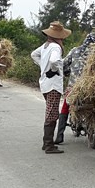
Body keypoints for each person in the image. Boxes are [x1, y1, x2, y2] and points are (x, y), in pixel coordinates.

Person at [31, 21, 71, 154]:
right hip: (53, 84)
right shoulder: (56, 47)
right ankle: (48, 145)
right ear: (59, 36)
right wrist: (53, 69)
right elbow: (54, 61)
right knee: (52, 114)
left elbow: (33, 55)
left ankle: (47, 143)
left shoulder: (45, 46)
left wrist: (43, 66)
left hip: (45, 84)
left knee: (50, 111)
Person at [54, 32, 95, 144]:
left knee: (65, 107)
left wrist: (66, 72)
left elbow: (64, 64)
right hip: (92, 88)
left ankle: (59, 136)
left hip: (74, 88)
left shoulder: (75, 51)